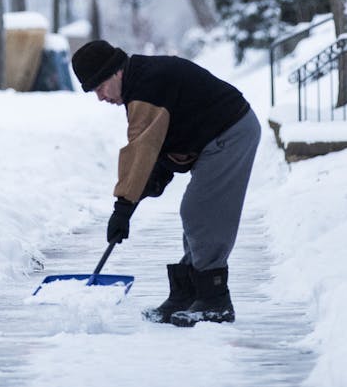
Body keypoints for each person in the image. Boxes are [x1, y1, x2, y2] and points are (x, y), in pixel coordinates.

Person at [70, 39, 261, 326]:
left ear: (115, 72)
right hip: (214, 136)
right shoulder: (140, 81)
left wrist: (123, 207)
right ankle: (187, 294)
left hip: (230, 133)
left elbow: (140, 149)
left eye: (99, 88)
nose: (100, 97)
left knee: (200, 210)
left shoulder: (146, 87)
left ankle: (214, 300)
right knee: (197, 213)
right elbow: (160, 141)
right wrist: (151, 179)